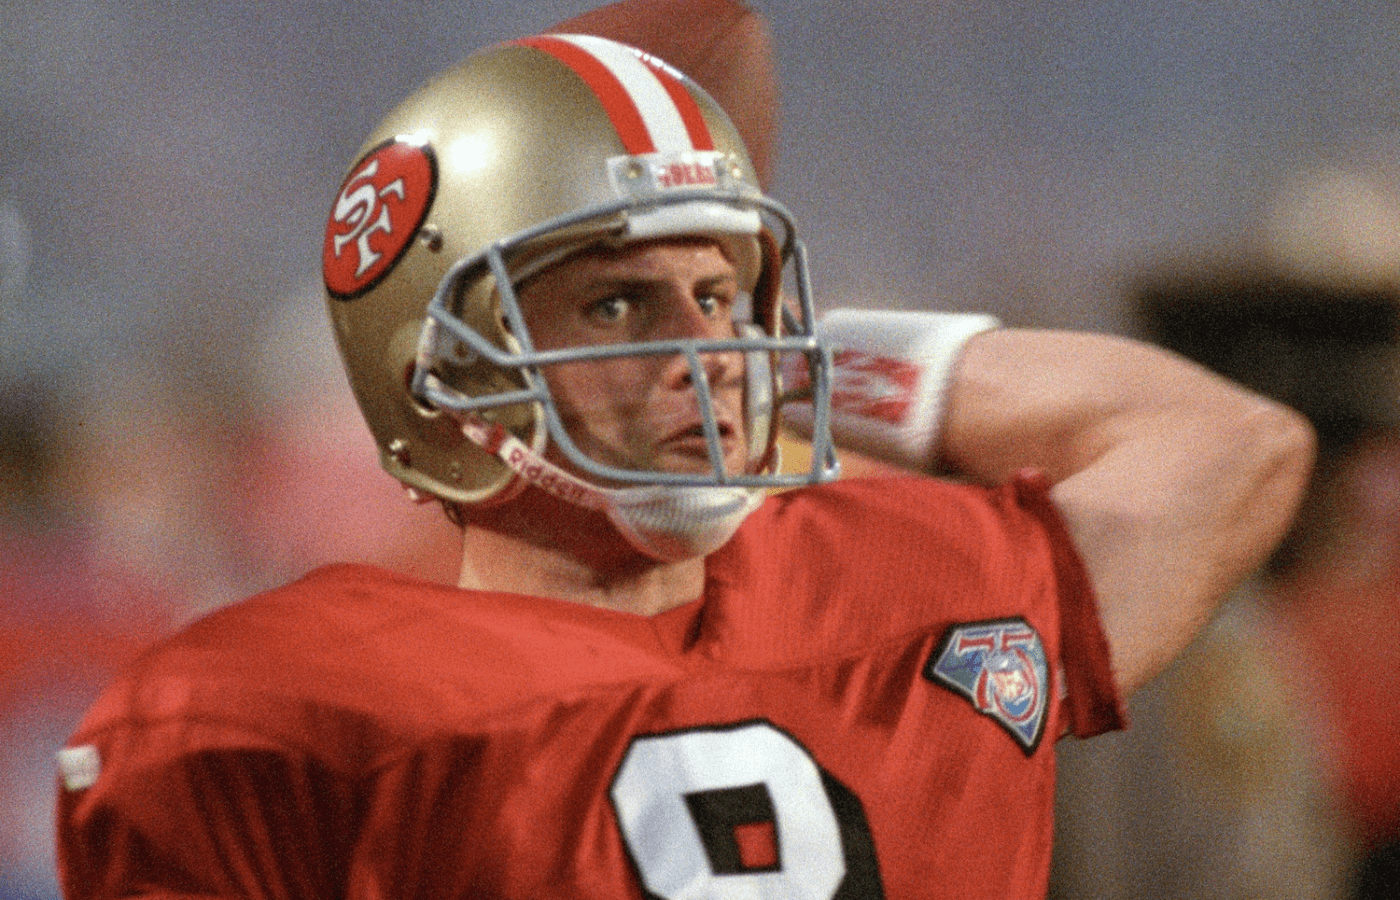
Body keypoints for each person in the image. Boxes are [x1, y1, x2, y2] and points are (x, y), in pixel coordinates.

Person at [54, 30, 1313, 900]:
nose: (703, 352)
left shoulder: (912, 590)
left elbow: (1233, 447)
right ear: (436, 364)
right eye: (615, 307)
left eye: (720, 295)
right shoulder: (284, 714)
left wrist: (794, 354)